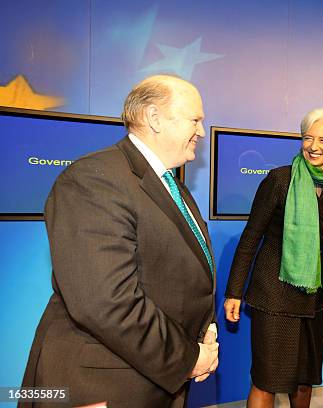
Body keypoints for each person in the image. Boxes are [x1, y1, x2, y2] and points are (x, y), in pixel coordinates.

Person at [20, 75, 218, 408]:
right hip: (101, 385)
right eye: (195, 120)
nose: (201, 131)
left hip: (154, 379)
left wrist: (204, 337)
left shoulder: (174, 187)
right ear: (154, 118)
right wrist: (187, 357)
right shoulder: (93, 180)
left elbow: (182, 277)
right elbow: (106, 302)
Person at [224, 108, 323, 408]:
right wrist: (234, 291)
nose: (314, 146)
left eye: (322, 140)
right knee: (267, 380)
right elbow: (251, 237)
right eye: (307, 138)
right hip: (273, 295)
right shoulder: (279, 180)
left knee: (304, 380)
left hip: (313, 300)